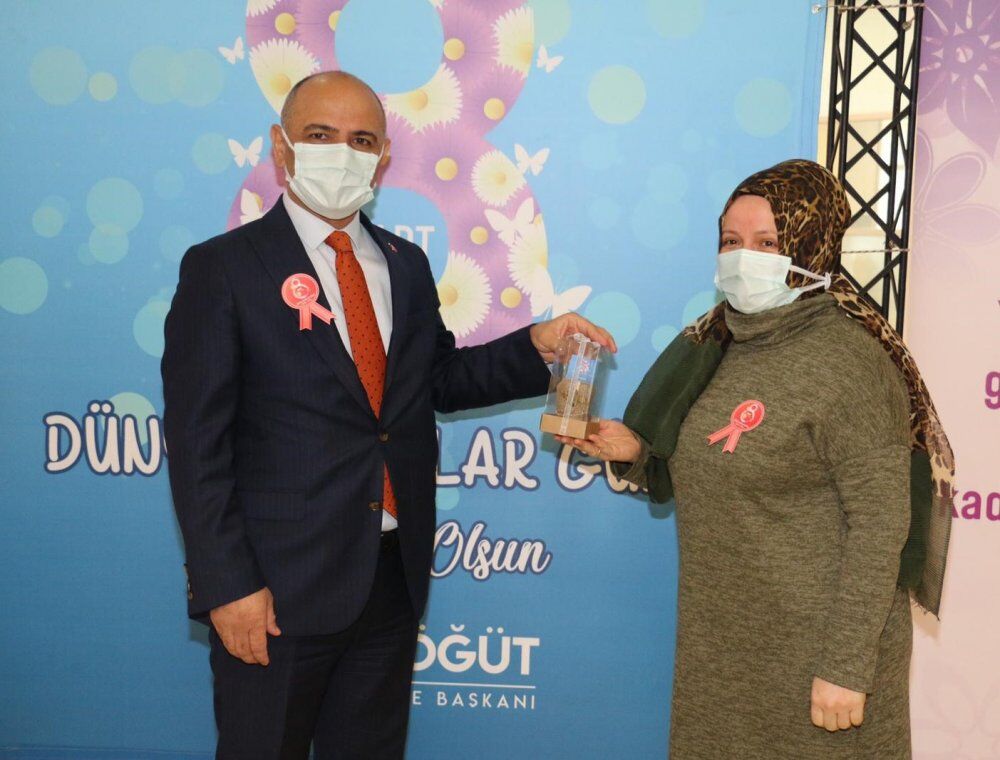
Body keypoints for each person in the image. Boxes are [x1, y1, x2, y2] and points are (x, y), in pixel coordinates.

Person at [161, 70, 615, 760]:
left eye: (362, 140)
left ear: (383, 158)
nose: (342, 154)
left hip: (389, 582)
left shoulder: (404, 263)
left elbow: (437, 380)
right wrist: (229, 585)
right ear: (282, 148)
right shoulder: (223, 268)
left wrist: (536, 346)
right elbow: (198, 446)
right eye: (320, 135)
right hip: (275, 590)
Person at [559, 160, 953, 759]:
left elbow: (880, 527)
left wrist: (847, 666)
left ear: (812, 246)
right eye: (730, 241)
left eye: (767, 243)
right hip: (721, 653)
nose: (744, 258)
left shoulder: (851, 363)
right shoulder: (714, 343)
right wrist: (637, 450)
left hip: (820, 659)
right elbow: (719, 462)